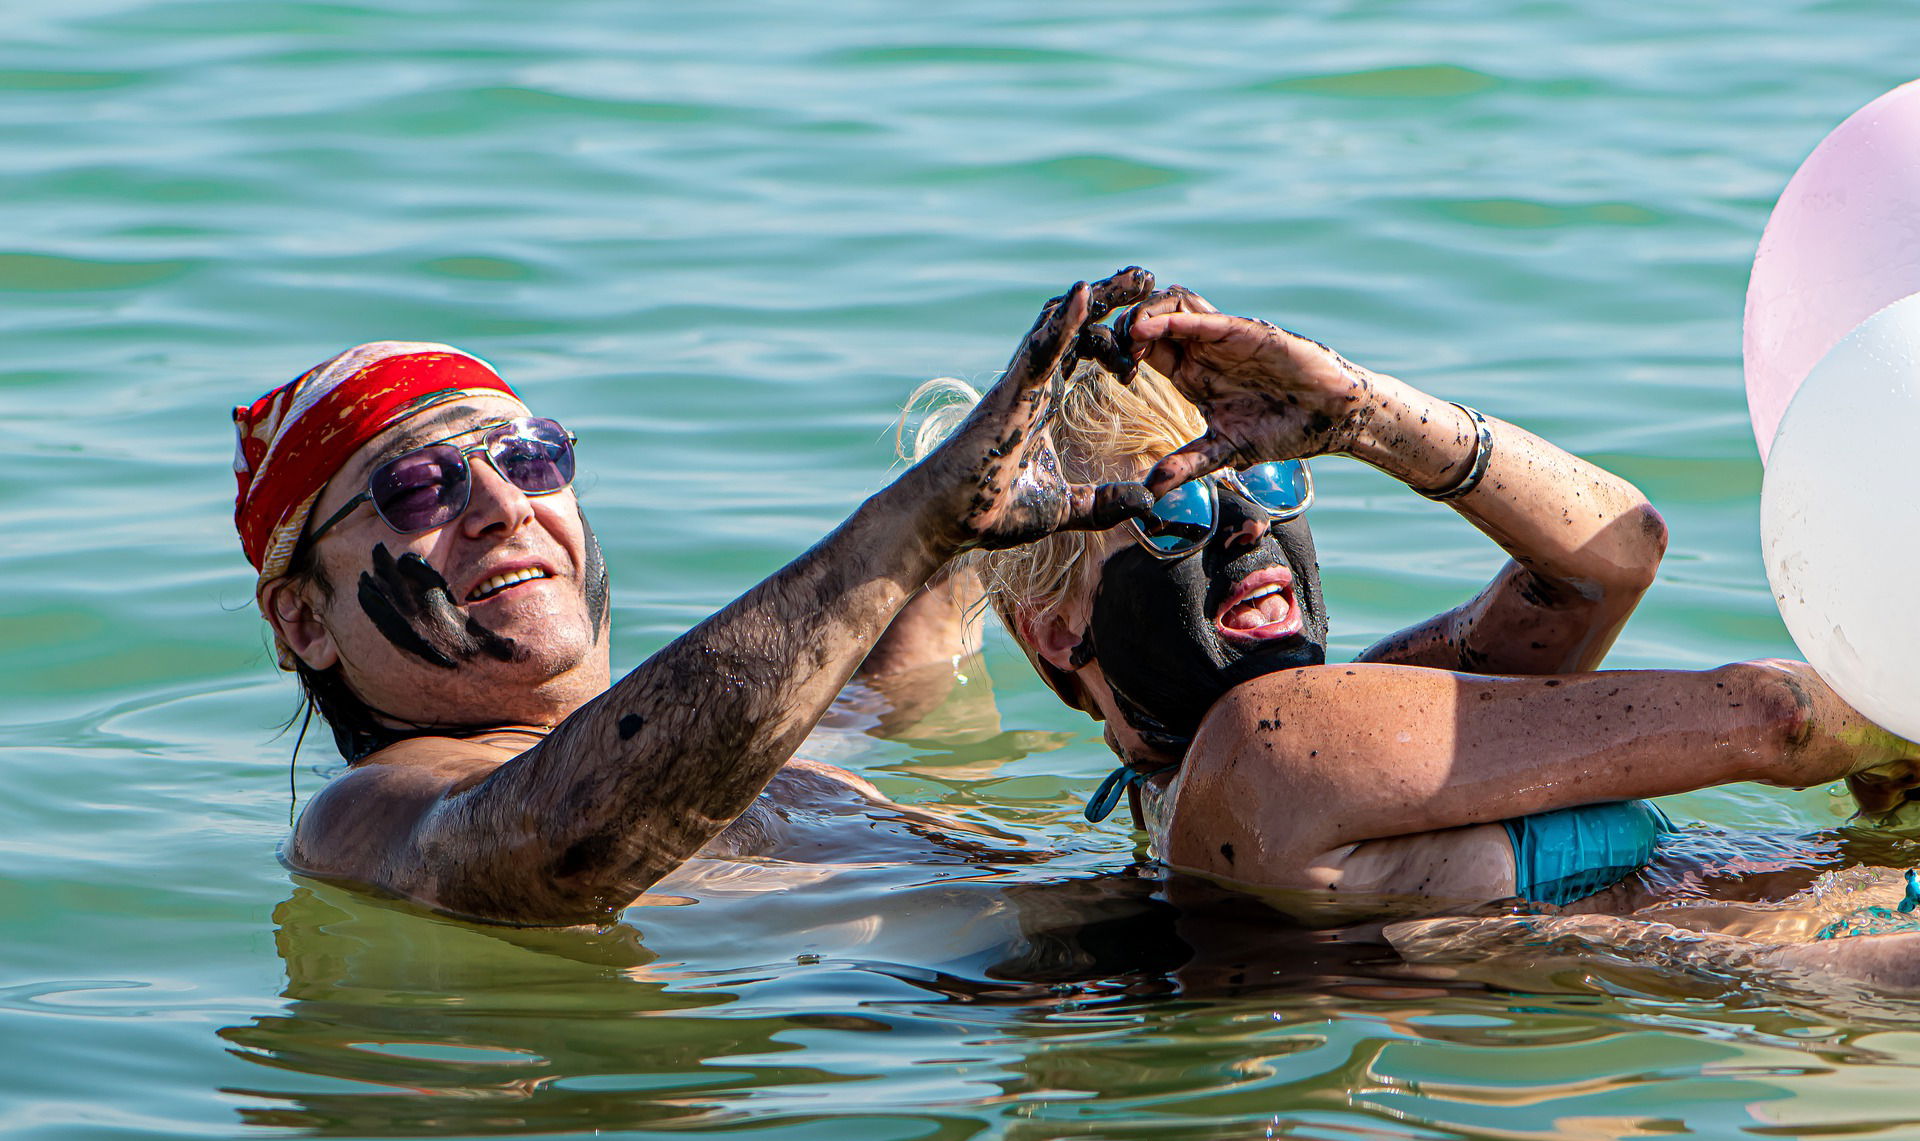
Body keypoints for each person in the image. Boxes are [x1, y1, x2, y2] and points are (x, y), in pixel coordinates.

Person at [962, 284, 1920, 986]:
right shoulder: (1270, 750)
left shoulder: (1326, 745)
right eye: (1172, 509)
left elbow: (1613, 552)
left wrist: (1358, 416)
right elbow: (1776, 715)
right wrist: (1892, 719)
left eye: (1264, 473)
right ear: (1054, 631)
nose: (1248, 524)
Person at [235, 270, 1158, 925]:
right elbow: (565, 841)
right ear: (305, 620)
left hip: (1155, 956)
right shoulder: (366, 819)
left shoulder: (720, 754)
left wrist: (1010, 469)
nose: (505, 505)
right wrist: (917, 519)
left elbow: (885, 693)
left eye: (529, 458)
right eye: (421, 487)